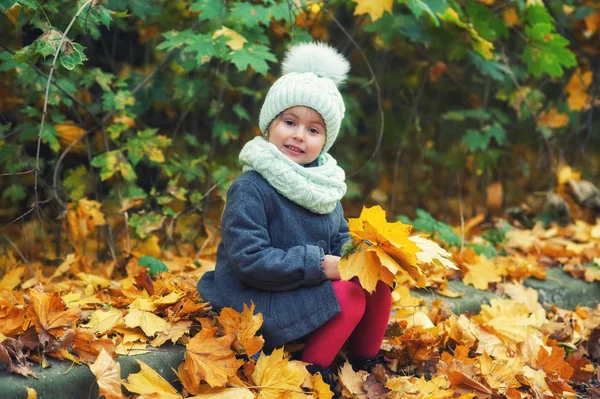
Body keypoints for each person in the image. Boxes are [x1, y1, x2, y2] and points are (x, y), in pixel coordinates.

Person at [197, 42, 392, 374]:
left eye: (313, 129)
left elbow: (339, 240)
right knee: (349, 296)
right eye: (290, 122)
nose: (299, 135)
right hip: (254, 299)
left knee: (376, 283)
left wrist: (365, 257)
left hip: (299, 287)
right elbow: (250, 261)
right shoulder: (251, 188)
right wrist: (320, 266)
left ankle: (364, 365)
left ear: (324, 141)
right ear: (270, 124)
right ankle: (311, 372)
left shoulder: (322, 187)